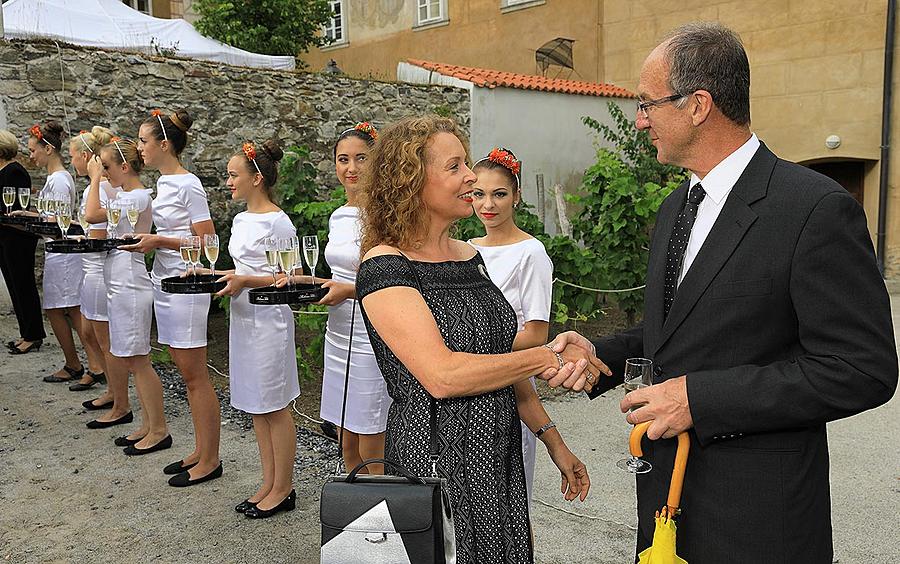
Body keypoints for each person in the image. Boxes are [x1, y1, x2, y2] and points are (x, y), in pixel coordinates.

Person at [548, 23, 898, 563]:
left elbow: (862, 367)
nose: (640, 119)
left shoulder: (813, 208)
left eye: (648, 103)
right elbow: (679, 327)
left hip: (758, 519)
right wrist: (605, 356)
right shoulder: (675, 207)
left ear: (698, 105)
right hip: (667, 503)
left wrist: (700, 399)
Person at [355, 116, 603, 564]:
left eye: (466, 163)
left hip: (498, 461)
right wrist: (543, 356)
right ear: (412, 182)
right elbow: (444, 375)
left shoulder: (471, 257)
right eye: (455, 167)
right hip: (435, 463)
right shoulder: (385, 267)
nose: (471, 176)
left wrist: (553, 441)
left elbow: (502, 360)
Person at [469, 146, 577, 511]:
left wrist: (476, 347)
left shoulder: (530, 253)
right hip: (465, 382)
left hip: (509, 384)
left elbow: (535, 335)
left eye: (499, 194)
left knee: (508, 509)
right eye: (478, 194)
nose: (488, 204)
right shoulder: (466, 250)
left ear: (516, 196)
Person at [123, 109, 221, 475]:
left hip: (187, 285)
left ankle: (210, 459)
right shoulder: (164, 184)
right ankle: (200, 450)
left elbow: (207, 240)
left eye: (144, 141)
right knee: (185, 372)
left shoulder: (187, 184)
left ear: (164, 144)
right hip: (164, 282)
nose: (139, 148)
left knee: (195, 375)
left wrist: (159, 240)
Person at [214, 141, 295, 510]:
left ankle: (284, 488)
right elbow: (246, 270)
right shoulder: (241, 219)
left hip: (269, 321)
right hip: (245, 319)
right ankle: (268, 481)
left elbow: (289, 277)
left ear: (256, 178)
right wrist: (217, 274)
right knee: (256, 405)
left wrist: (245, 281)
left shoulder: (278, 222)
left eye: (233, 175)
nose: (228, 181)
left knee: (275, 406)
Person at [82, 139, 169, 455]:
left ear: (124, 167)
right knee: (131, 359)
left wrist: (94, 178)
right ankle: (147, 424)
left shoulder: (139, 197)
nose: (103, 173)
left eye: (106, 166)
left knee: (139, 360)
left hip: (131, 285)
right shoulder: (123, 195)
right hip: (117, 282)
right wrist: (98, 177)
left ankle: (159, 429)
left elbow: (93, 215)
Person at [315, 122, 391, 475]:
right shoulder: (337, 216)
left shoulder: (386, 216)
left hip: (372, 334)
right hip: (339, 333)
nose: (351, 168)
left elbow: (396, 281)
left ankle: (387, 521)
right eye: (343, 159)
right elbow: (339, 274)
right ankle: (357, 520)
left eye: (361, 158)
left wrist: (349, 291)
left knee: (372, 440)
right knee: (346, 438)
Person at [27, 121, 89, 383]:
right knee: (57, 308)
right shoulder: (54, 180)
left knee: (69, 309)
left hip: (63, 252)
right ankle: (77, 362)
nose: (31, 155)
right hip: (54, 249)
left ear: (48, 149)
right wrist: (28, 215)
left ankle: (84, 363)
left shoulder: (61, 181)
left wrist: (33, 223)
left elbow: (61, 221)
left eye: (33, 150)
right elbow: (49, 217)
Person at [66, 127, 117, 392]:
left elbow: (98, 235)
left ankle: (114, 391)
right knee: (88, 331)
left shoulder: (98, 190)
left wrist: (76, 240)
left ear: (86, 156)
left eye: (73, 156)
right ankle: (102, 376)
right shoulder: (94, 189)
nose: (71, 162)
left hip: (97, 267)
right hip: (91, 268)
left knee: (100, 335)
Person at [0, 129, 45, 355]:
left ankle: (33, 334)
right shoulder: (3, 171)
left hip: (17, 238)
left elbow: (16, 209)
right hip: (5, 236)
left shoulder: (14, 171)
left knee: (23, 285)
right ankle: (25, 332)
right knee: (14, 285)